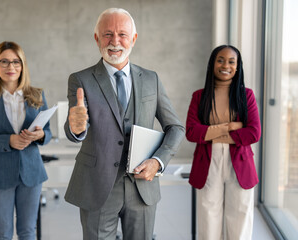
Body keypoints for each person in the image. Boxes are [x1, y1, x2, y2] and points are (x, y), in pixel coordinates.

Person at [64, 8, 185, 240]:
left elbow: (176, 128)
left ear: (134, 39)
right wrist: (76, 128)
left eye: (122, 34)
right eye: (108, 34)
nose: (115, 41)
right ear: (97, 38)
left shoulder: (152, 79)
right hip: (97, 186)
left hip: (142, 188)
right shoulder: (80, 80)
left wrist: (158, 162)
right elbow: (75, 128)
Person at [0, 41, 52, 240]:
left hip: (31, 174)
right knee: (2, 233)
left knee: (28, 231)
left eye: (16, 62)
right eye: (4, 62)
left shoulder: (37, 95)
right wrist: (8, 141)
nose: (11, 67)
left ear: (23, 65)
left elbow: (48, 133)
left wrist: (40, 135)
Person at [186, 45, 261, 240]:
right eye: (220, 60)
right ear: (212, 64)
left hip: (240, 162)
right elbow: (192, 132)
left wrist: (210, 132)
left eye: (231, 61)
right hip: (208, 161)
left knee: (240, 218)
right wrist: (229, 127)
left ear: (238, 67)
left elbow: (253, 133)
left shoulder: (247, 96)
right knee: (208, 218)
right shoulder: (199, 96)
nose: (225, 65)